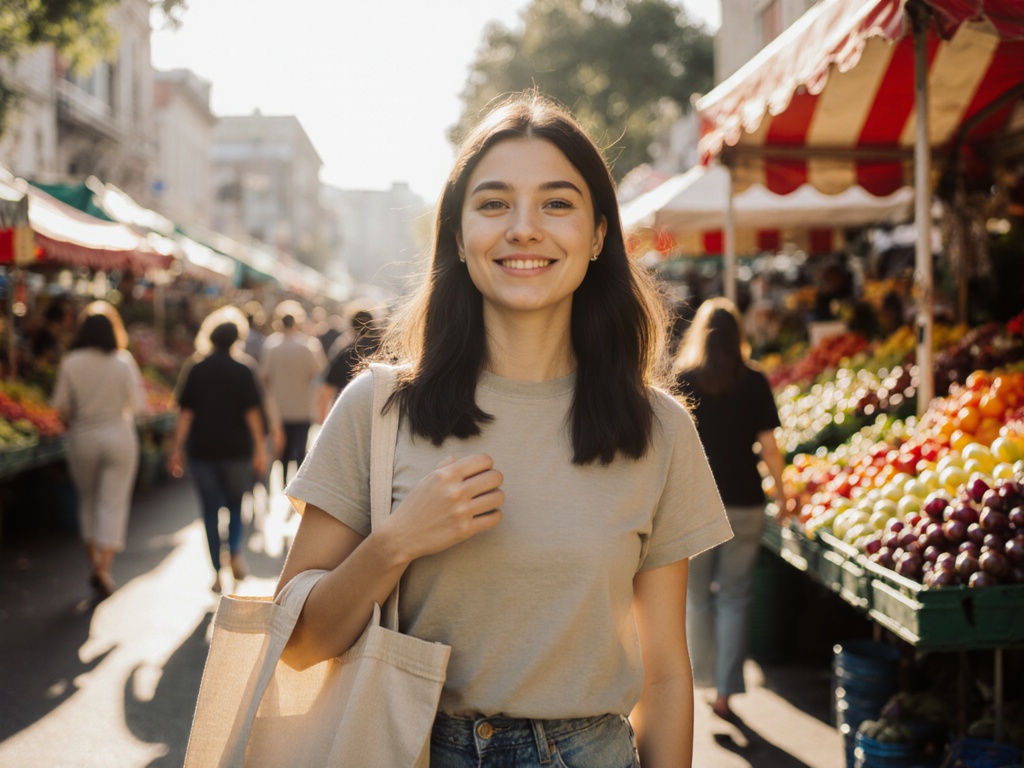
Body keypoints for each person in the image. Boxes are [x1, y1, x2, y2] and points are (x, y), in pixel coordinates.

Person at [273, 92, 732, 767]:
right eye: (493, 204)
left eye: (556, 203)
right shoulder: (376, 410)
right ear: (458, 235)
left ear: (600, 233)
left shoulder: (658, 429)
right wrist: (397, 542)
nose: (523, 228)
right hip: (413, 749)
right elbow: (300, 643)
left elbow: (665, 674)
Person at [672, 297, 788, 723]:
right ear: (739, 336)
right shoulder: (754, 379)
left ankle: (702, 681)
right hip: (745, 502)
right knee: (736, 597)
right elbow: (770, 449)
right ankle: (725, 690)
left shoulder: (683, 380)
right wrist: (783, 495)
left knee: (696, 598)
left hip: (694, 505)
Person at [168, 306, 269, 593]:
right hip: (237, 451)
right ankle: (235, 549)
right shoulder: (245, 369)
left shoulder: (196, 368)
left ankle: (216, 572)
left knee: (210, 512)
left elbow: (185, 415)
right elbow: (253, 415)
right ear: (237, 338)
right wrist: (260, 449)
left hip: (203, 452)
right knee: (237, 505)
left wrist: (176, 449)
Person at [50, 301, 146, 599]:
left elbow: (60, 407)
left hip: (83, 437)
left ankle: (95, 566)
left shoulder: (71, 361)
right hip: (119, 436)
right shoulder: (123, 361)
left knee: (88, 502)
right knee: (113, 504)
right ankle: (104, 568)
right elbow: (139, 406)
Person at [260, 300, 326, 482]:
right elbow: (319, 374)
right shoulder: (308, 345)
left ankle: (281, 483)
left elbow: (264, 377)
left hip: (279, 408)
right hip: (302, 407)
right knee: (300, 450)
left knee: (281, 450)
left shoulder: (271, 345)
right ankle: (298, 486)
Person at [316, 304, 380, 422]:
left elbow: (326, 391)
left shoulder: (346, 353)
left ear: (351, 326)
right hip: (377, 419)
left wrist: (323, 423)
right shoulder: (384, 351)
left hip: (347, 418)